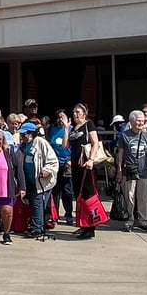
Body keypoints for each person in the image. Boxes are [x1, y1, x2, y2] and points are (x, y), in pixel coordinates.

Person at [64, 103, 103, 240]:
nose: (75, 114)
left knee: (88, 195)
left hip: (86, 165)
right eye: (74, 112)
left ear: (84, 113)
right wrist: (66, 128)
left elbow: (95, 143)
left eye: (78, 112)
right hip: (76, 166)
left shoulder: (89, 124)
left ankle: (90, 227)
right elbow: (65, 145)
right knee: (79, 195)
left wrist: (91, 159)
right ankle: (83, 225)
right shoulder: (74, 128)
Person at [114, 110, 147, 233]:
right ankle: (129, 220)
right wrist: (120, 170)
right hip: (129, 170)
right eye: (138, 121)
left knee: (143, 197)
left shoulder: (146, 136)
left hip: (144, 170)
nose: (141, 123)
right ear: (132, 121)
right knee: (129, 196)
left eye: (143, 121)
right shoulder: (125, 135)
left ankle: (143, 220)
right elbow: (120, 154)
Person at [18, 121, 58, 237]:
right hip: (29, 180)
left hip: (41, 181)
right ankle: (37, 225)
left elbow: (53, 161)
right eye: (21, 134)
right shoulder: (24, 145)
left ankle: (37, 229)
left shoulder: (41, 143)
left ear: (31, 133)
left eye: (24, 134)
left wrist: (47, 170)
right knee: (34, 203)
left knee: (37, 203)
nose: (22, 136)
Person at [48, 109, 74, 225]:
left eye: (62, 117)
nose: (60, 120)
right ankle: (55, 215)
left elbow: (75, 146)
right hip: (55, 164)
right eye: (58, 117)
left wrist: (70, 160)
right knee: (55, 191)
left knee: (67, 191)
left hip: (67, 164)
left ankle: (68, 214)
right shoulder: (52, 129)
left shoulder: (71, 129)